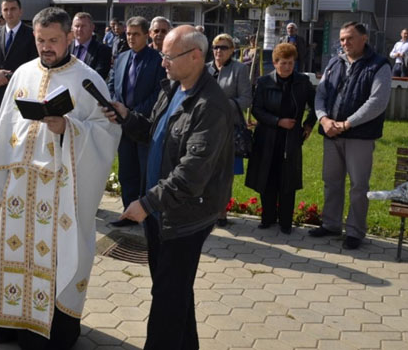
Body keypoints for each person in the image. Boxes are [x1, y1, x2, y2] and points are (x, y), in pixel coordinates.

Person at [0, 7, 120, 349]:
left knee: (53, 256)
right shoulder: (23, 73)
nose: (46, 47)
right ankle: (11, 326)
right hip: (20, 187)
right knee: (15, 252)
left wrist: (69, 127)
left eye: (53, 40)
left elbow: (106, 132)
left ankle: (51, 334)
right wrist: (0, 173)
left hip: (60, 191)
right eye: (41, 40)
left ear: (69, 38)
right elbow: (5, 126)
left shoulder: (87, 80)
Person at [105, 25, 233, 350]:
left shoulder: (211, 105)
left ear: (195, 56)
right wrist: (127, 117)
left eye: (169, 57)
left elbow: (192, 173)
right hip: (161, 212)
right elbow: (155, 133)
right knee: (174, 292)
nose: (163, 63)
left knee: (166, 299)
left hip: (184, 217)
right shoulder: (174, 87)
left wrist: (147, 204)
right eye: (162, 55)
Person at [310, 21, 392, 250]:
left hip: (360, 136)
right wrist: (323, 119)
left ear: (364, 38)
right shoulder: (334, 63)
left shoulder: (379, 65)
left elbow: (377, 102)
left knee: (358, 186)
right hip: (331, 133)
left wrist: (347, 124)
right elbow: (321, 94)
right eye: (342, 39)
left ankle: (355, 231)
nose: (345, 43)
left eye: (350, 38)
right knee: (331, 182)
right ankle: (331, 224)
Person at [245, 43, 316, 233]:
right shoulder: (264, 82)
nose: (287, 67)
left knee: (287, 179)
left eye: (291, 63)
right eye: (283, 63)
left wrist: (309, 124)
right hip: (267, 137)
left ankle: (286, 222)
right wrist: (278, 121)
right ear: (275, 63)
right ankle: (267, 217)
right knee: (268, 176)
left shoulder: (302, 82)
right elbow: (257, 109)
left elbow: (317, 104)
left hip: (291, 138)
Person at [108, 16, 163, 227]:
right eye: (128, 34)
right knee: (127, 172)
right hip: (123, 127)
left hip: (144, 126)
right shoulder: (122, 58)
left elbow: (158, 92)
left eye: (136, 34)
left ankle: (148, 216)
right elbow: (112, 85)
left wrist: (132, 113)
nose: (131, 38)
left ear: (147, 35)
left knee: (145, 173)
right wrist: (115, 106)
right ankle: (128, 213)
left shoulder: (157, 60)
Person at [206, 33, 251, 226]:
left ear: (232, 50)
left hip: (228, 129)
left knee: (224, 173)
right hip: (205, 128)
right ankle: (205, 211)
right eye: (216, 47)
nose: (219, 51)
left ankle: (221, 213)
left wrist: (223, 104)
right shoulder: (205, 68)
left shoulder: (240, 69)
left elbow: (246, 99)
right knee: (205, 170)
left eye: (223, 47)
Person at [0, 0, 38, 130]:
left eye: (13, 9)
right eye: (5, 10)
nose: (9, 13)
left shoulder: (32, 34)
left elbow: (35, 64)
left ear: (20, 11)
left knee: (18, 137)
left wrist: (7, 77)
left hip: (21, 95)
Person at [71, 12, 112, 80]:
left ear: (92, 27)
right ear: (72, 28)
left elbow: (99, 76)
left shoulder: (103, 50)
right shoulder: (64, 47)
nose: (79, 29)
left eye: (83, 26)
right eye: (77, 26)